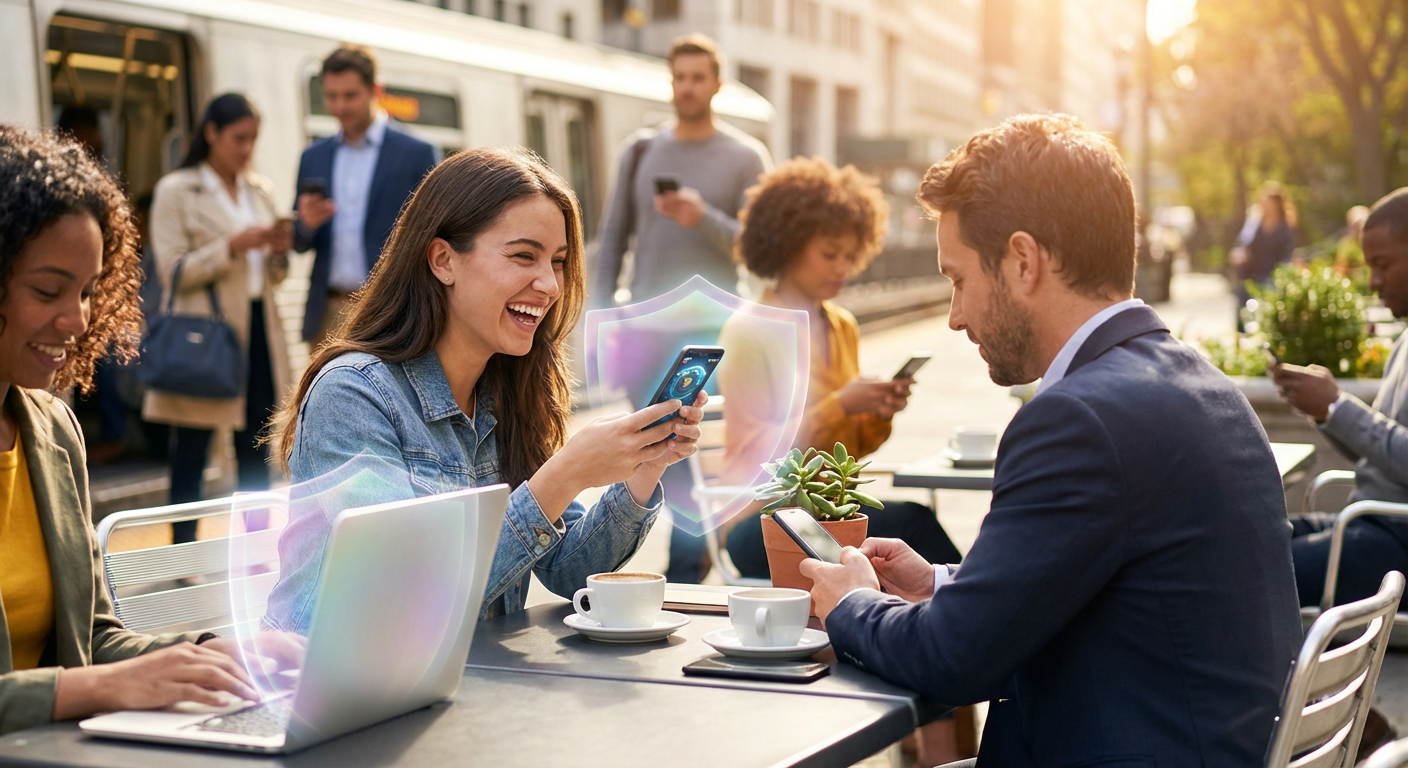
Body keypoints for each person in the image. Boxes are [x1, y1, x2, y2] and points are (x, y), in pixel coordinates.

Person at [801, 114, 1302, 767]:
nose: (955, 316)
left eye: (958, 280)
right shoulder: (1202, 384)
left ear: (1023, 260)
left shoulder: (1077, 419)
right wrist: (942, 587)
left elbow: (952, 663)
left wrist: (852, 606)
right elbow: (1106, 583)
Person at [261, 147, 703, 633]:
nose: (550, 285)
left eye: (557, 262)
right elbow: (409, 596)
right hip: (327, 690)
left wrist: (646, 464)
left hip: (466, 687)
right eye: (522, 256)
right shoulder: (353, 396)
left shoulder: (503, 391)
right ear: (443, 260)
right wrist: (565, 473)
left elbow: (569, 573)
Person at [0, 125, 299, 735]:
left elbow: (91, 640)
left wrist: (214, 650)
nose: (78, 319)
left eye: (88, 292)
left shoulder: (50, 431)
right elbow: (90, 677)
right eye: (49, 290)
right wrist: (97, 687)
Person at [717, 157, 963, 577]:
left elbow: (847, 453)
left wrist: (876, 413)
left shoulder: (842, 327)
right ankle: (970, 614)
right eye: (830, 254)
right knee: (910, 524)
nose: (843, 268)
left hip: (831, 515)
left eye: (851, 255)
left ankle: (955, 613)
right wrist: (840, 405)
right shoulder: (749, 331)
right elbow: (761, 454)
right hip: (759, 520)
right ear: (787, 246)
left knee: (903, 530)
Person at [589, 34, 771, 582]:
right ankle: (662, 567)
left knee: (690, 457)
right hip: (642, 332)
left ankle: (683, 576)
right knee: (651, 456)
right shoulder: (641, 151)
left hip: (711, 333)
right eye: (679, 78)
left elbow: (763, 249)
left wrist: (704, 218)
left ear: (717, 84)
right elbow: (613, 235)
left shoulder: (745, 157)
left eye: (698, 78)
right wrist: (604, 316)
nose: (687, 88)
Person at [143, 93, 293, 543]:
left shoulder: (259, 190)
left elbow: (273, 277)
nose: (246, 149)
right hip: (206, 334)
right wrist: (232, 246)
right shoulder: (177, 191)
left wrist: (277, 253)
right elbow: (173, 273)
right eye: (238, 138)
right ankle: (182, 553)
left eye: (253, 139)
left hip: (259, 331)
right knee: (190, 454)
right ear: (211, 133)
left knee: (256, 449)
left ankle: (253, 549)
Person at [1272, 188, 1408, 607]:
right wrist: (1323, 411)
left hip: (1394, 542)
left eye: (1383, 265)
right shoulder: (1404, 341)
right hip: (1368, 522)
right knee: (1245, 538)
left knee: (1250, 568)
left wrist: (1337, 405)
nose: (1374, 282)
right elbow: (1383, 454)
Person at [293, 44, 441, 348]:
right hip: (328, 312)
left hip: (391, 310)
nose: (340, 107)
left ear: (376, 90)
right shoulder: (313, 157)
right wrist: (305, 224)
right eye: (331, 96)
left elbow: (438, 233)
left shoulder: (417, 154)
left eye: (350, 96)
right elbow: (298, 242)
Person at [1232, 182, 1297, 327]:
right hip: (1250, 276)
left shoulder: (1284, 228)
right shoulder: (1254, 223)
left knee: (1265, 318)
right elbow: (1242, 243)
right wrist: (1239, 253)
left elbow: (1285, 257)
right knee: (1243, 314)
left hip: (1270, 279)